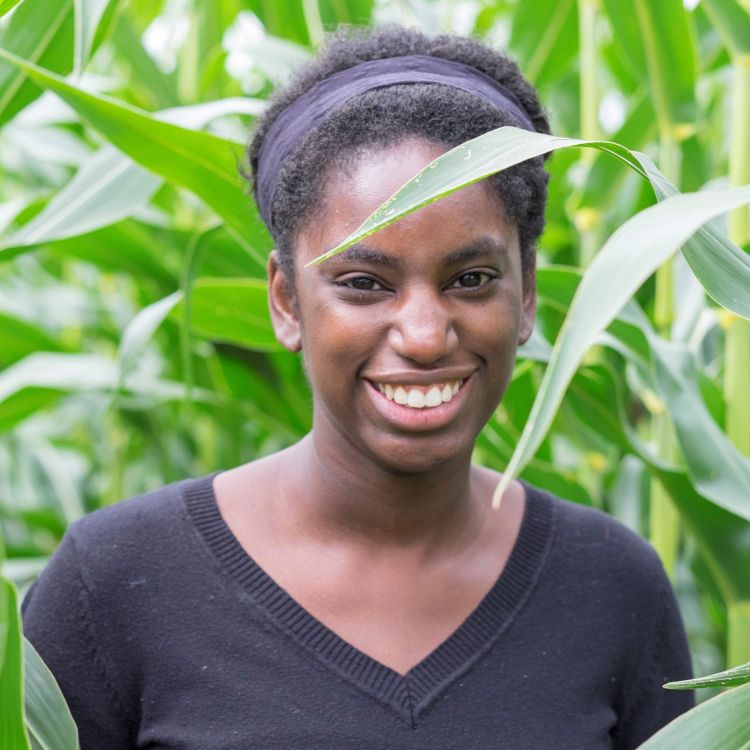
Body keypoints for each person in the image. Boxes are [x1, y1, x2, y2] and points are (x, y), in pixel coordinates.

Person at [22, 25, 693, 750]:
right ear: (286, 302)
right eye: (364, 284)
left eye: (470, 279)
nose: (425, 334)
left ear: (527, 293)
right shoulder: (116, 584)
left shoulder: (613, 588)